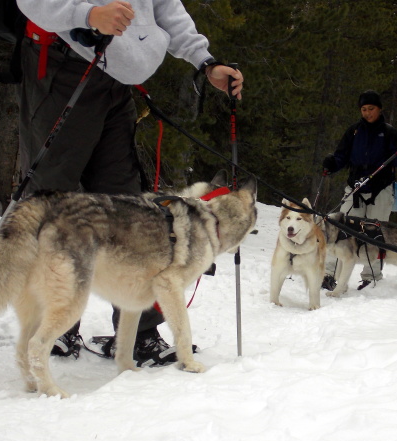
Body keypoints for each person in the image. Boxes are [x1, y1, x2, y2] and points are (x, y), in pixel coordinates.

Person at [15, 0, 244, 365]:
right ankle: (52, 325)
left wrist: (205, 61)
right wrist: (86, 15)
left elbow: (165, 7)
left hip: (117, 82)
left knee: (129, 209)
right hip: (63, 69)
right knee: (52, 201)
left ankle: (139, 332)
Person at [322, 90, 397, 291]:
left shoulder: (389, 132)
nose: (367, 113)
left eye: (371, 109)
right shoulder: (354, 132)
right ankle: (328, 274)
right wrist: (331, 164)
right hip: (355, 189)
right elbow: (341, 157)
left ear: (379, 109)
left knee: (375, 233)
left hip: (381, 190)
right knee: (341, 229)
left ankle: (371, 277)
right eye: (364, 109)